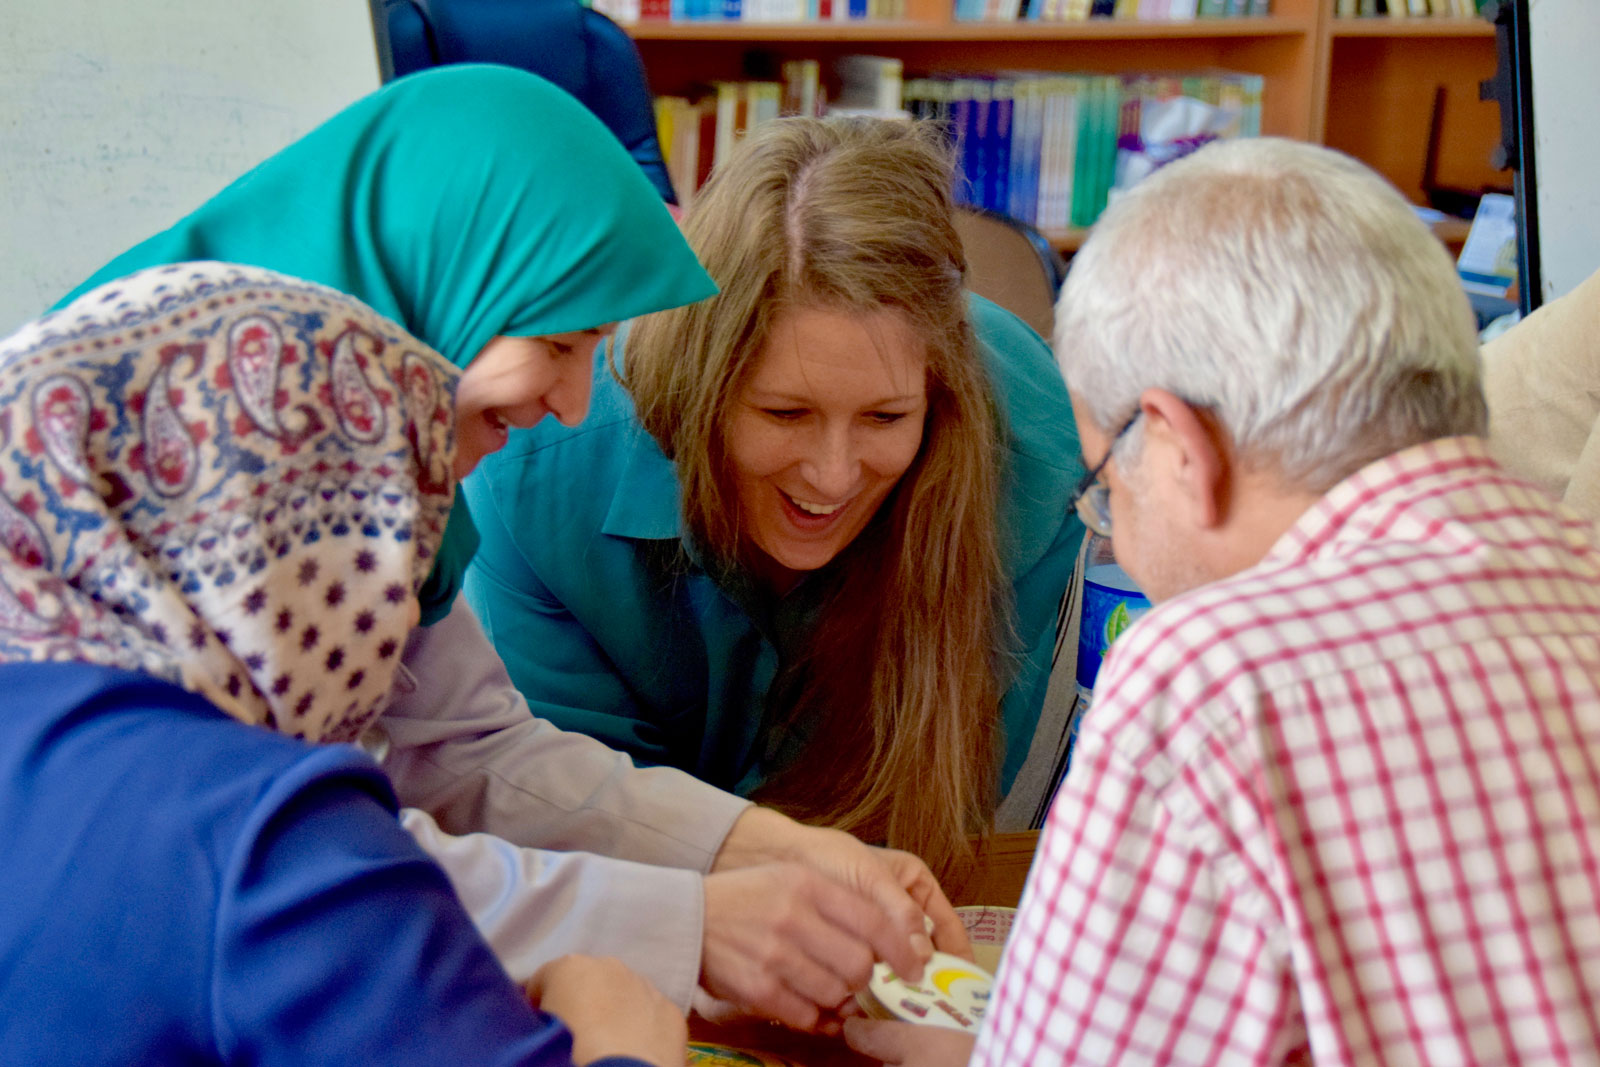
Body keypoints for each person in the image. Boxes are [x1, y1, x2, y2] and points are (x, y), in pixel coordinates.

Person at [58, 64, 968, 1031]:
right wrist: (695, 922)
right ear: (448, 277)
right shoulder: (200, 436)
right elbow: (288, 866)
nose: (573, 405)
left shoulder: (377, 449)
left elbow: (466, 748)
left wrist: (765, 846)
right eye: (560, 347)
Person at [849, 136, 1600, 1066]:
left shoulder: (1210, 676)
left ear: (1176, 445)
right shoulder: (1577, 576)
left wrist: (960, 1048)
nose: (1116, 535)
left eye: (1105, 490)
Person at [0, 262, 685, 1065]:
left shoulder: (38, 729)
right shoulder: (271, 831)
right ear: (283, 538)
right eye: (393, 537)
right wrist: (621, 1039)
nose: (405, 611)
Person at [460, 116, 1086, 881]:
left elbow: (950, 827)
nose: (832, 475)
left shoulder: (1027, 438)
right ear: (701, 385)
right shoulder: (538, 463)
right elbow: (572, 822)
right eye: (785, 413)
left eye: (886, 417)